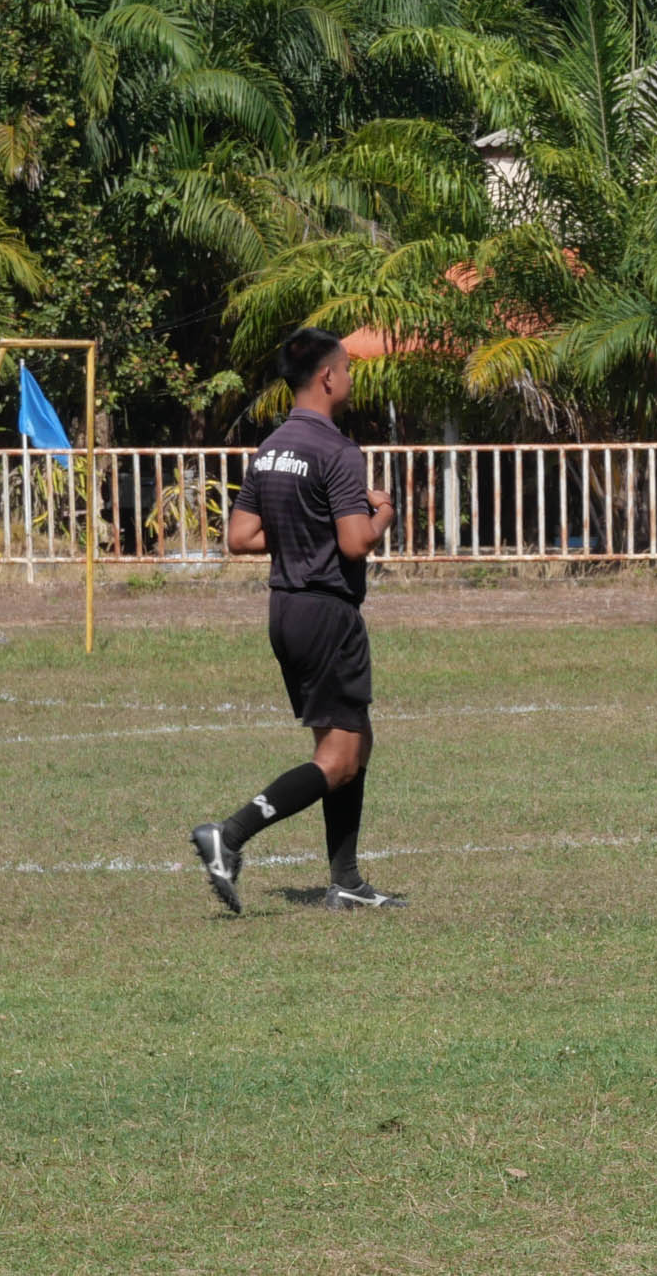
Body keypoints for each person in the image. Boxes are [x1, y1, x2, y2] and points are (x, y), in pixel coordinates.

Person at [189, 329, 402, 914]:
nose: (351, 379)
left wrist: (305, 532)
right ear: (328, 377)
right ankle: (229, 835)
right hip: (327, 612)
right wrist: (383, 512)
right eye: (347, 369)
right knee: (337, 759)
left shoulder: (272, 447)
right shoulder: (337, 450)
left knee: (354, 743)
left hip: (286, 609)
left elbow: (240, 537)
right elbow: (355, 543)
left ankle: (347, 881)